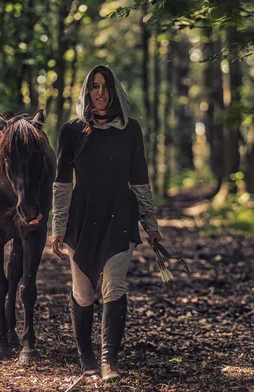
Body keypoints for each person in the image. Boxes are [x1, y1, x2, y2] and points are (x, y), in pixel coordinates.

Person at [51, 65, 162, 381]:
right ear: (86, 92)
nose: (100, 93)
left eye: (105, 86)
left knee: (114, 286)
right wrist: (58, 229)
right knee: (84, 295)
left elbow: (140, 181)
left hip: (119, 218)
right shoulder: (71, 132)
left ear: (115, 91)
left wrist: (150, 226)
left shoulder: (131, 130)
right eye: (94, 87)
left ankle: (108, 362)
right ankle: (86, 358)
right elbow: (61, 185)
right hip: (82, 221)